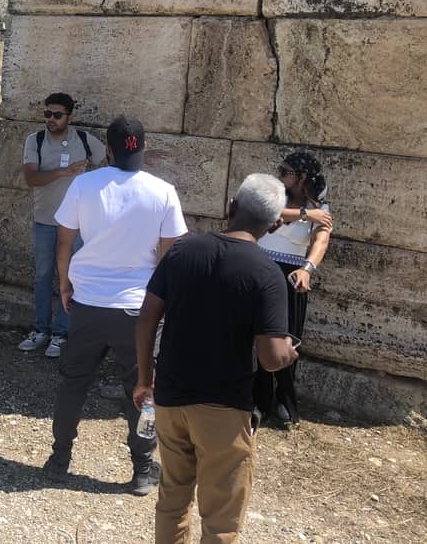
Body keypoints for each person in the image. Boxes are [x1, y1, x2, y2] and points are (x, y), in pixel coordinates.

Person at [134, 173, 300, 544]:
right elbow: (271, 358)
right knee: (221, 518)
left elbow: (147, 318)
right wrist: (288, 353)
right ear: (274, 225)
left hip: (172, 398)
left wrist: (145, 379)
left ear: (231, 207)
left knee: (172, 500)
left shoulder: (182, 251)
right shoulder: (267, 275)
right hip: (226, 407)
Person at [43, 116, 185, 495]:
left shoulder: (83, 184)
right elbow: (169, 257)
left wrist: (64, 284)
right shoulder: (163, 191)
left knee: (74, 382)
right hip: (137, 308)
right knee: (142, 389)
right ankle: (142, 468)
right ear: (144, 147)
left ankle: (60, 458)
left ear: (108, 148)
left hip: (88, 300)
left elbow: (64, 242)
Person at [19, 92, 106, 358]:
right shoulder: (35, 141)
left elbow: (109, 164)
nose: (51, 119)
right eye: (47, 114)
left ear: (70, 116)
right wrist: (63, 172)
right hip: (44, 220)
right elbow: (31, 178)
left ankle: (61, 333)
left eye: (57, 115)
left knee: (70, 278)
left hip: (76, 223)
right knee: (43, 277)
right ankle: (41, 330)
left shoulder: (83, 140)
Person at [253, 152, 332, 425]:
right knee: (258, 334)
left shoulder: (320, 206)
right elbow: (265, 215)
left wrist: (308, 268)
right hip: (261, 267)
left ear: (301, 178)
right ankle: (258, 399)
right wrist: (304, 214)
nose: (279, 174)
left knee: (288, 337)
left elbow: (321, 240)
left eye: (285, 171)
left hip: (291, 273)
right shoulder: (273, 195)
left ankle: (284, 398)